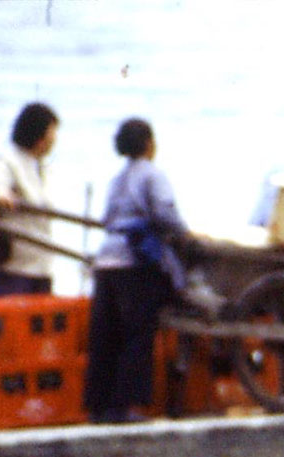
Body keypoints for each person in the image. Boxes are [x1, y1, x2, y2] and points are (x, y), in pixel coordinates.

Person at [84, 117, 189, 424]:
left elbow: (107, 217)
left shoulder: (116, 179)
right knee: (137, 332)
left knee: (105, 334)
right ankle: (125, 406)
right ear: (148, 144)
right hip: (133, 261)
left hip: (106, 261)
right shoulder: (152, 175)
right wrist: (187, 235)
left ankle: (98, 407)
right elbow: (165, 213)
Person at [0, 102, 61, 298]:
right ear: (38, 135)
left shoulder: (42, 167)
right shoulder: (7, 160)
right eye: (52, 133)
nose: (54, 139)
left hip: (42, 266)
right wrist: (0, 194)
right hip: (14, 268)